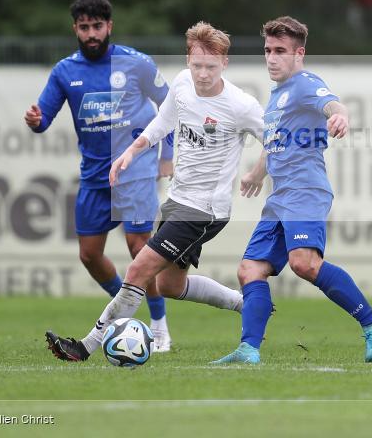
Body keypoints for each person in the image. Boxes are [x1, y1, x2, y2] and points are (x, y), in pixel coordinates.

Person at [44, 22, 265, 362]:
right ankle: (248, 303)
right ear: (187, 60)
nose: (202, 74)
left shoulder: (241, 104)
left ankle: (85, 346)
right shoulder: (181, 84)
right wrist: (130, 153)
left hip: (204, 210)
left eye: (210, 66)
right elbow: (162, 122)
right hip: (178, 201)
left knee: (138, 270)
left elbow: (275, 142)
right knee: (169, 286)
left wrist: (256, 172)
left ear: (225, 63)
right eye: (196, 65)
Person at [212, 16, 372, 365]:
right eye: (267, 50)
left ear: (299, 54)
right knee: (250, 270)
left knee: (305, 264)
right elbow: (275, 140)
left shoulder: (305, 83)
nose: (271, 58)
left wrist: (341, 117)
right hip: (281, 197)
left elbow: (332, 104)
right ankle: (248, 350)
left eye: (280, 51)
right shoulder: (278, 96)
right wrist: (255, 172)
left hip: (305, 190)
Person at [25, 0, 174, 351]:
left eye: (97, 26)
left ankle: (159, 325)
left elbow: (172, 105)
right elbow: (43, 118)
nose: (91, 34)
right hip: (94, 174)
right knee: (89, 255)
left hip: (134, 166)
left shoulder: (136, 64)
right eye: (84, 27)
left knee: (140, 247)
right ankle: (123, 313)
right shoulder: (65, 71)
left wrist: (166, 155)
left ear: (109, 26)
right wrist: (35, 120)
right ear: (75, 29)